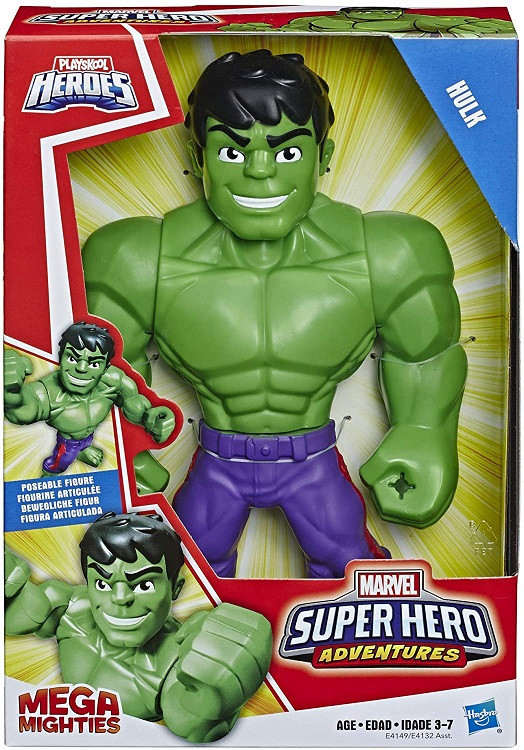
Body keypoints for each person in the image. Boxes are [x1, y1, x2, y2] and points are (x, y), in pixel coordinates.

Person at [83, 50, 466, 578]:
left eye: (286, 152)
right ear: (198, 156)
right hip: (218, 463)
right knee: (180, 581)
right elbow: (101, 367)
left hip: (312, 462)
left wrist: (423, 432)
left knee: (354, 576)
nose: (259, 171)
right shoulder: (140, 257)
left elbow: (426, 353)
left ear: (323, 155)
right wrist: (120, 450)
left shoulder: (386, 252)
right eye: (232, 150)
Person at [5, 512, 272, 743]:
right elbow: (21, 611)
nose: (120, 598)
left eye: (144, 584)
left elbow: (193, 723)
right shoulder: (71, 607)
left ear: (175, 588)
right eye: (102, 583)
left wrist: (227, 674)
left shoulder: (175, 660)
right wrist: (9, 581)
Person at [4, 322, 175, 479]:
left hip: (89, 433)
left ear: (106, 367)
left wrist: (151, 418)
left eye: (94, 364)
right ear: (61, 357)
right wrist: (10, 392)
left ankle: (83, 450)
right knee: (61, 461)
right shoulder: (48, 392)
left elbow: (135, 403)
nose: (81, 368)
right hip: (69, 441)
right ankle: (48, 476)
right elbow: (21, 410)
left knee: (86, 440)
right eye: (73, 358)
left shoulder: (114, 381)